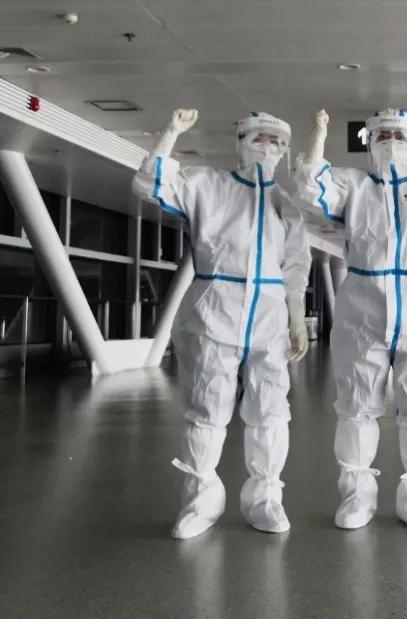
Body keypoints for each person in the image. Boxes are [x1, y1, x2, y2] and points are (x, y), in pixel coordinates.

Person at [133, 109, 311, 539]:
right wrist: (171, 133)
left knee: (270, 410)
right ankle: (200, 501)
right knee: (207, 408)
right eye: (258, 138)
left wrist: (296, 318)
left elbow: (295, 266)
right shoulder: (206, 185)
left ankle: (266, 499)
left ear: (285, 151)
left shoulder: (286, 205)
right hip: (215, 309)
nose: (267, 146)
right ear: (240, 142)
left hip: (268, 314)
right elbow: (150, 185)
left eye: (276, 141)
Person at [294, 108, 407, 530]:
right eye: (382, 135)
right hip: (362, 311)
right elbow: (312, 189)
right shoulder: (354, 185)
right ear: (369, 143)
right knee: (356, 406)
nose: (390, 142)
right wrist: (318, 137)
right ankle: (357, 496)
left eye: (399, 135)